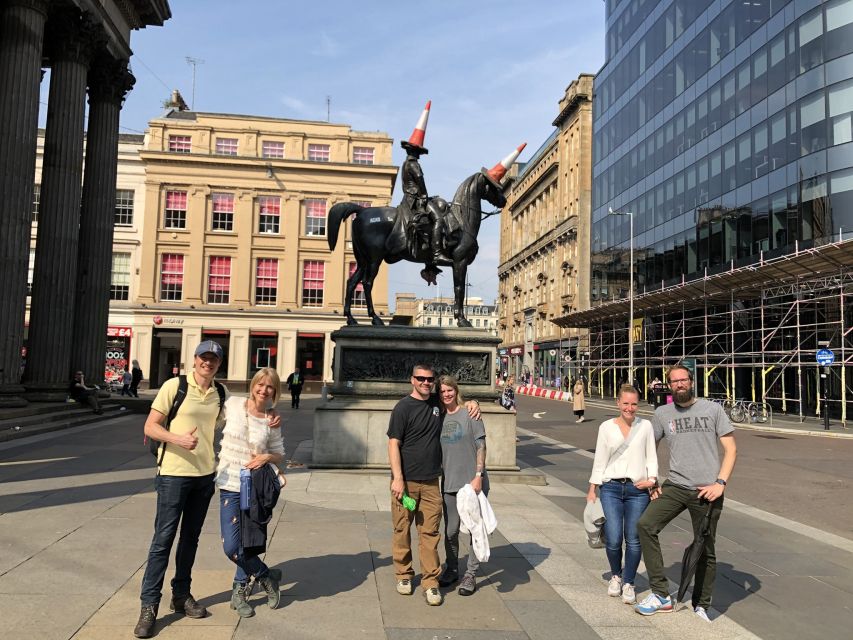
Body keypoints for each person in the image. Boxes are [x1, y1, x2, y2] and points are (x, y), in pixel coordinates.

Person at [135, 341, 280, 638]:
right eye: (204, 357)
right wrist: (177, 439)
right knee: (163, 540)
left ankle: (181, 595)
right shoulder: (174, 387)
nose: (208, 363)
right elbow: (150, 426)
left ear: (219, 363)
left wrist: (269, 417)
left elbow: (248, 410)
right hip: (173, 475)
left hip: (204, 477)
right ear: (195, 359)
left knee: (190, 540)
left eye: (214, 359)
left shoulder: (221, 394)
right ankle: (149, 606)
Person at [634, 365, 737, 621]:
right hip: (675, 486)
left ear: (691, 382)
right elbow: (649, 447)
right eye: (674, 381)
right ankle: (660, 593)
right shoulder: (662, 413)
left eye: (683, 380)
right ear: (668, 385)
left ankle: (701, 603)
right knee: (646, 525)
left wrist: (720, 483)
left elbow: (731, 449)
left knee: (705, 547)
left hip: (707, 491)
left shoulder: (712, 409)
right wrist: (653, 479)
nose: (679, 384)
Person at [387, 363, 480, 607]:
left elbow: (455, 405)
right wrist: (397, 478)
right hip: (405, 484)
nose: (426, 383)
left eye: (430, 380)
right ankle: (404, 575)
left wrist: (473, 403)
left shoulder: (437, 405)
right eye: (421, 379)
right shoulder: (402, 408)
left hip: (430, 483)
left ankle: (430, 582)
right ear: (412, 380)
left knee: (430, 533)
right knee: (402, 529)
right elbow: (393, 443)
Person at [216, 367, 284, 618]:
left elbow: (280, 454)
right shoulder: (233, 404)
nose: (263, 390)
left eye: (269, 387)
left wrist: (267, 456)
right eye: (260, 384)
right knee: (231, 546)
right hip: (230, 483)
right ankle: (266, 576)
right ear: (253, 384)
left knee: (249, 543)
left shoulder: (271, 419)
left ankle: (239, 590)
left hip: (255, 488)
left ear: (274, 391)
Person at [587, 385, 658, 605]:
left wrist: (653, 480)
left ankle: (629, 582)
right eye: (625, 403)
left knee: (634, 540)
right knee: (614, 537)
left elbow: (651, 456)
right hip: (611, 488)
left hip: (637, 490)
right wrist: (592, 488)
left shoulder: (645, 426)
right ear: (618, 403)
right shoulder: (606, 427)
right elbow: (600, 458)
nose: (629, 408)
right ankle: (616, 575)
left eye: (634, 404)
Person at [437, 375, 489, 597]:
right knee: (450, 531)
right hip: (449, 482)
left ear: (456, 391)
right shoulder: (437, 417)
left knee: (475, 530)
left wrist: (478, 475)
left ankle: (471, 573)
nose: (446, 394)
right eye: (442, 391)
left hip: (472, 483)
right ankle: (452, 568)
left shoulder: (470, 413)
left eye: (449, 390)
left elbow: (481, 445)